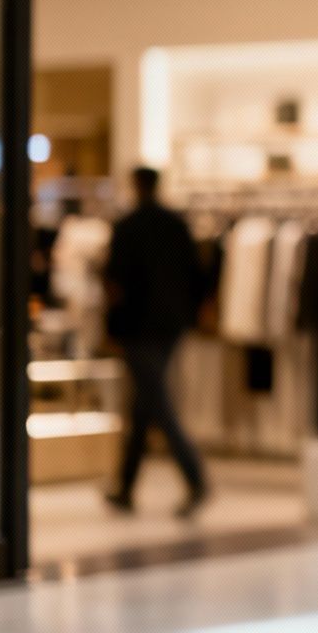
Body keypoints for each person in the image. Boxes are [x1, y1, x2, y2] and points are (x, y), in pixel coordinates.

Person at [103, 166, 209, 517]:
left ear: (137, 185)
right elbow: (198, 277)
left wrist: (112, 327)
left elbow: (115, 282)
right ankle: (126, 486)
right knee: (144, 403)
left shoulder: (129, 226)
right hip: (170, 325)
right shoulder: (176, 226)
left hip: (140, 326)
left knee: (156, 401)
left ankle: (195, 478)